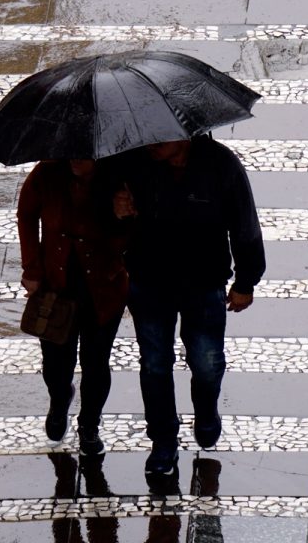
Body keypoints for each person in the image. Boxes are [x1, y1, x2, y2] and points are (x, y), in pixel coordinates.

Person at [111, 135, 266, 476]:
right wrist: (117, 208)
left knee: (208, 364)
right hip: (149, 281)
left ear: (184, 133)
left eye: (160, 136)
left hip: (204, 282)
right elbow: (107, 214)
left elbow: (244, 223)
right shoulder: (134, 162)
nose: (151, 141)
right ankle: (163, 441)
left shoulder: (221, 165)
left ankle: (206, 410)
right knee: (154, 364)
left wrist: (246, 281)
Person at [17, 158, 128, 457]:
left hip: (103, 288)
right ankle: (60, 398)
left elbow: (138, 233)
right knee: (55, 363)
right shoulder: (47, 172)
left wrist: (125, 216)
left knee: (95, 362)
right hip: (57, 286)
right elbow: (26, 215)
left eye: (84, 154)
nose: (76, 160)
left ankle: (89, 425)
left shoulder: (121, 175)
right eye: (71, 153)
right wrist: (31, 269)